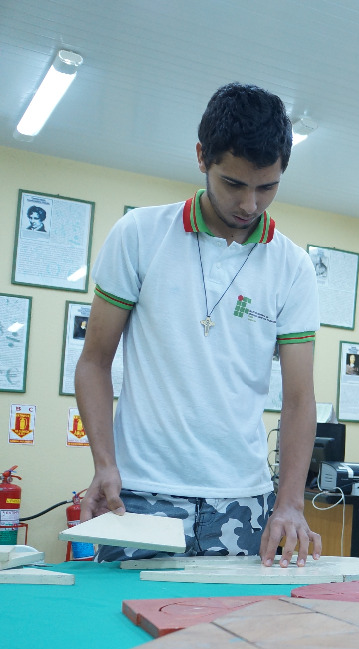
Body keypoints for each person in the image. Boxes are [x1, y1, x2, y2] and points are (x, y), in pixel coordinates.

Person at [75, 83, 322, 567]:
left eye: (266, 187)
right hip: (141, 494)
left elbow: (298, 399)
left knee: (230, 638)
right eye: (234, 183)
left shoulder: (293, 267)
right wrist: (105, 464)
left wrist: (289, 500)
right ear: (201, 158)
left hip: (243, 500)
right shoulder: (140, 235)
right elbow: (94, 362)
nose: (249, 204)